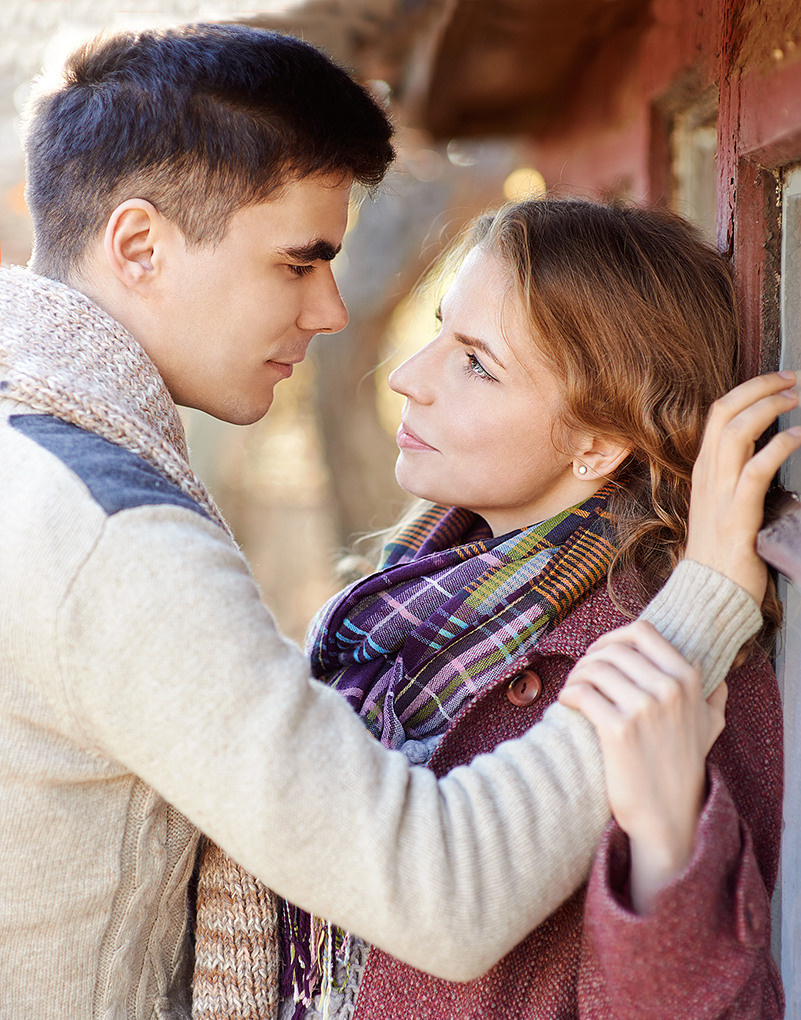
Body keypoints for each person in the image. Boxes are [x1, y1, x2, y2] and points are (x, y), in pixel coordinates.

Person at [0, 22, 790, 1020]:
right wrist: (698, 616)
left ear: (601, 441)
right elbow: (441, 889)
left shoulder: (40, 454)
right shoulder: (117, 538)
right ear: (140, 246)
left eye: (475, 360)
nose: (337, 315)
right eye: (296, 262)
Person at [192, 199, 792, 1019]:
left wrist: (664, 848)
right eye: (442, 332)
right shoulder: (398, 614)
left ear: (597, 444)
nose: (408, 377)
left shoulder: (655, 666)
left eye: (476, 363)